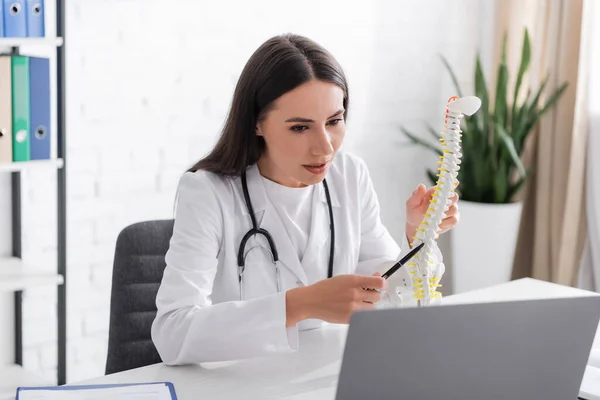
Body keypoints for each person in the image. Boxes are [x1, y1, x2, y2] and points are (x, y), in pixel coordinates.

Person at [151, 33, 459, 365]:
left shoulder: (349, 176)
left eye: (334, 121)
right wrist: (300, 304)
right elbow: (172, 334)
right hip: (241, 383)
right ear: (257, 123)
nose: (325, 147)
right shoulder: (208, 192)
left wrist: (417, 236)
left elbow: (389, 294)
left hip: (326, 378)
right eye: (300, 128)